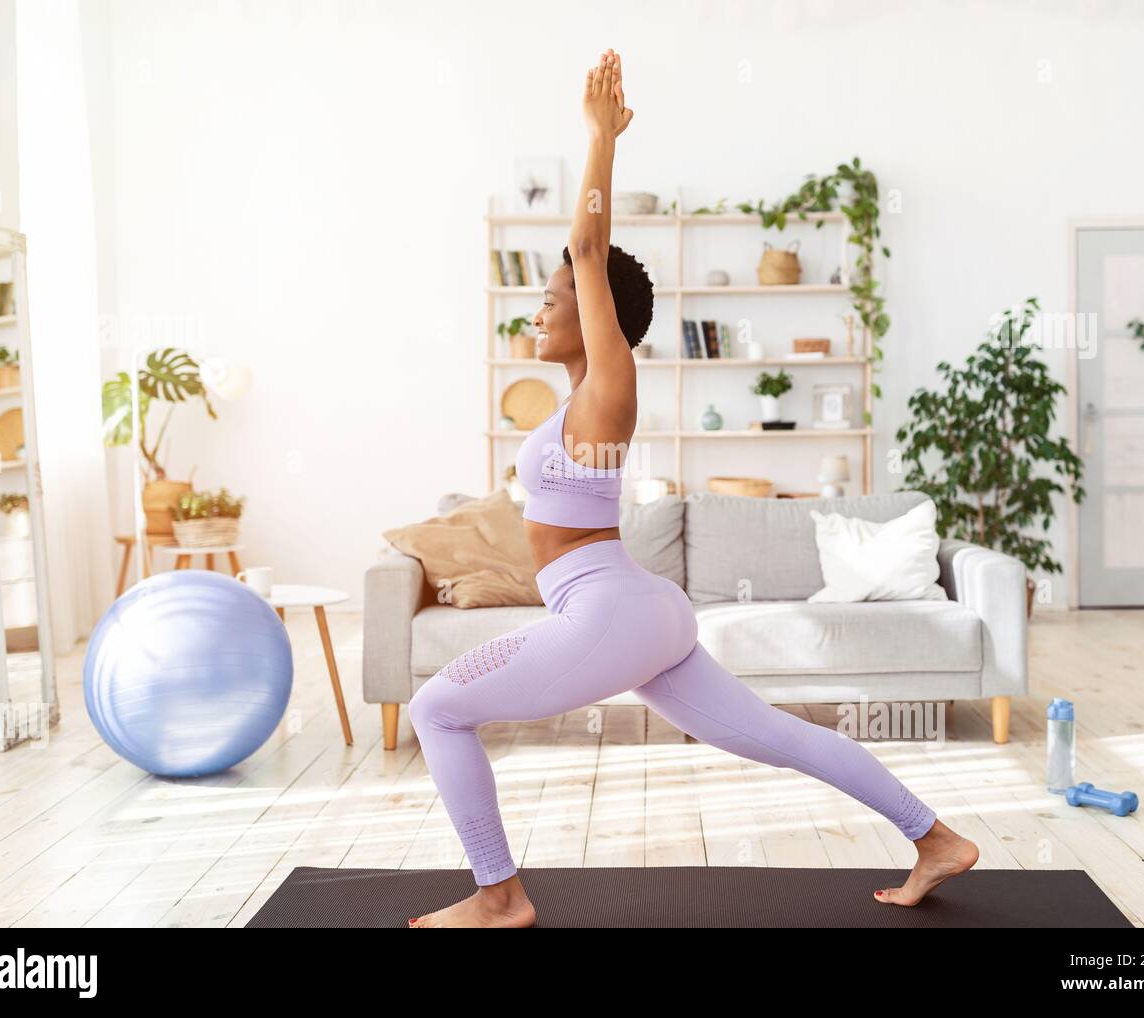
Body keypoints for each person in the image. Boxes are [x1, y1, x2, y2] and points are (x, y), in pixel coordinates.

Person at [407, 48, 978, 928]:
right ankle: (934, 837)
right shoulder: (572, 408)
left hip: (610, 613)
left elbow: (590, 249)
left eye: (554, 297)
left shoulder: (609, 388)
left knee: (436, 707)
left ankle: (499, 897)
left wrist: (598, 137)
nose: (540, 309)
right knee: (782, 738)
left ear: (595, 318)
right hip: (638, 613)